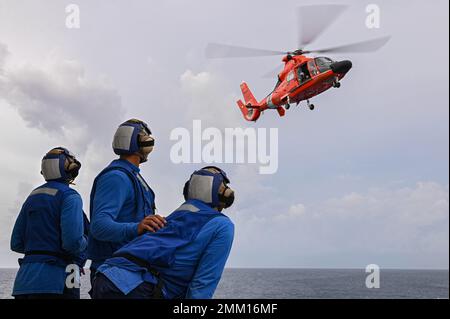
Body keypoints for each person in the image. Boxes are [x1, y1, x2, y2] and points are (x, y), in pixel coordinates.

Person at [91, 167, 235, 299]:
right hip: (137, 287)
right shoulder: (222, 226)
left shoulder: (175, 216)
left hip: (106, 275)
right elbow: (203, 284)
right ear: (224, 195)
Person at [87, 119, 166, 287]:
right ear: (142, 143)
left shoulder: (133, 176)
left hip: (130, 272)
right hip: (113, 275)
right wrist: (137, 227)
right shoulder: (117, 177)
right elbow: (99, 226)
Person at [10, 147, 88, 299]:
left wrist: (40, 248)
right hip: (60, 281)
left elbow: (16, 243)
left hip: (24, 282)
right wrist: (85, 243)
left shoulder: (31, 197)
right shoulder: (70, 196)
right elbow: (72, 243)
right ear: (70, 169)